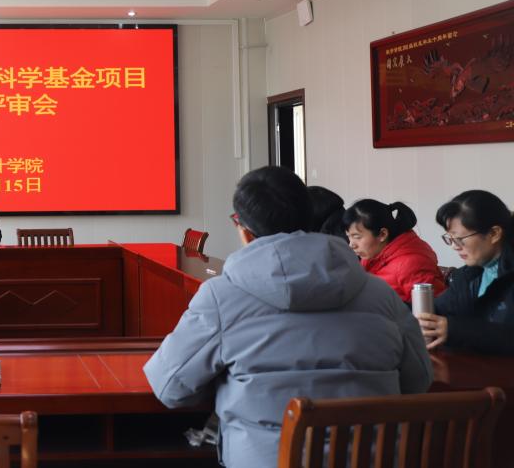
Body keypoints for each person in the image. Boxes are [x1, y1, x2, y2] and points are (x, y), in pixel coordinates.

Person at [144, 166, 432, 468]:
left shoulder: (220, 297)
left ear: (244, 231)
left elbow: (170, 388)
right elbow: (418, 380)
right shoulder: (380, 294)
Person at [419, 190, 514, 355]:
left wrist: (455, 330)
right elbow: (439, 309)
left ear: (494, 234)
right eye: (450, 239)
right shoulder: (470, 274)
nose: (454, 246)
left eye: (459, 239)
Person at [343, 199, 446, 301]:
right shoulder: (371, 256)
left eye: (357, 237)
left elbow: (432, 308)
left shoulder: (411, 264)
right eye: (349, 236)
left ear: (382, 234)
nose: (351, 245)